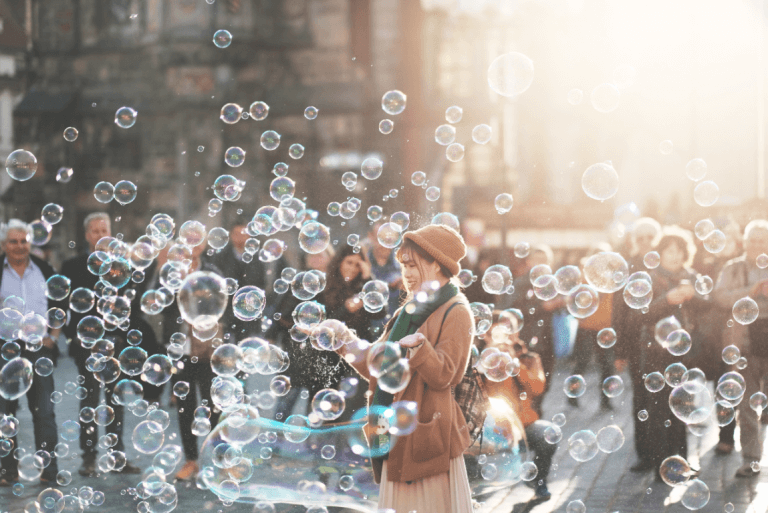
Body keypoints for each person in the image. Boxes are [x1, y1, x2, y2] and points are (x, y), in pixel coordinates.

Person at [337, 224, 474, 513]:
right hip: (393, 432)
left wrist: (419, 348)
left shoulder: (456, 310)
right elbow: (380, 362)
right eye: (403, 265)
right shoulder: (408, 311)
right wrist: (344, 342)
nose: (406, 274)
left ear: (437, 264)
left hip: (427, 438)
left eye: (413, 265)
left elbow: (446, 375)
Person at [61, 213, 143, 476]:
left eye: (103, 230)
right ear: (87, 235)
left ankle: (116, 456)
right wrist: (75, 338)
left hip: (117, 344)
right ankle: (88, 458)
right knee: (89, 403)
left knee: (116, 401)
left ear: (111, 233)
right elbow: (63, 307)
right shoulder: (72, 266)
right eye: (94, 231)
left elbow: (132, 304)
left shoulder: (122, 266)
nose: (99, 235)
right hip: (86, 346)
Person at [638, 227, 708, 480]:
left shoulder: (692, 277)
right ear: (661, 252)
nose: (675, 255)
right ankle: (661, 467)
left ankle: (682, 462)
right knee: (658, 410)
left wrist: (694, 296)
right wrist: (667, 299)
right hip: (657, 352)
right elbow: (640, 313)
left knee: (683, 407)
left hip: (685, 353)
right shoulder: (650, 278)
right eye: (669, 250)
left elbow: (708, 306)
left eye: (679, 250)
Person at [0, 220, 61, 485]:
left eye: (23, 241)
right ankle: (6, 471)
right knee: (4, 413)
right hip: (4, 349)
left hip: (38, 349)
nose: (19, 246)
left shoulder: (45, 269)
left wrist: (53, 337)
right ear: (4, 245)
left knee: (45, 411)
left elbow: (61, 306)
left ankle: (49, 470)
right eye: (13, 241)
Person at [163, 236, 226, 481]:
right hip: (180, 350)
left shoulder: (212, 272)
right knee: (184, 408)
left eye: (197, 240)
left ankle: (221, 460)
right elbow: (160, 308)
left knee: (214, 406)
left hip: (208, 350)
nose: (193, 245)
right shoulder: (169, 272)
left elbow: (221, 307)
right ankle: (191, 461)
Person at [480, 312, 557, 502]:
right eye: (494, 335)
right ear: (485, 336)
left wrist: (514, 364)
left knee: (549, 433)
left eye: (506, 333)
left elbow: (538, 388)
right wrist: (485, 362)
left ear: (515, 334)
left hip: (523, 425)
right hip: (489, 428)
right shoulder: (476, 361)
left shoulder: (528, 358)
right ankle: (471, 490)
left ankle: (538, 482)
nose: (501, 340)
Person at [713, 220, 768, 477]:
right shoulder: (733, 268)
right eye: (753, 239)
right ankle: (751, 459)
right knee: (747, 404)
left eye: (762, 239)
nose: (758, 244)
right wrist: (752, 291)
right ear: (744, 242)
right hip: (745, 342)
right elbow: (720, 297)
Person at [612, 217, 661, 468]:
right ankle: (645, 454)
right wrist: (620, 350)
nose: (644, 242)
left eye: (649, 237)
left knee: (664, 398)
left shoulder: (666, 266)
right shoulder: (628, 269)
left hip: (665, 342)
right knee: (641, 399)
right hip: (636, 345)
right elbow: (618, 313)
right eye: (639, 238)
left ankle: (665, 449)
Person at [500, 244, 563, 416]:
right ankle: (531, 417)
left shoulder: (551, 285)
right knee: (527, 384)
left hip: (548, 339)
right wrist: (543, 306)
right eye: (538, 261)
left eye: (545, 261)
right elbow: (510, 311)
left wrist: (561, 304)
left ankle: (536, 413)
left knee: (545, 382)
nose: (541, 265)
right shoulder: (521, 283)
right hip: (527, 340)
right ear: (529, 262)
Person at [569, 245, 616, 411]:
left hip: (605, 326)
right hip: (587, 326)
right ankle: (572, 396)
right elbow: (576, 298)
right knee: (582, 363)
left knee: (606, 365)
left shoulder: (612, 276)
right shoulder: (584, 275)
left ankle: (606, 400)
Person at [366, 222, 405, 338]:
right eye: (380, 238)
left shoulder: (404, 265)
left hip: (397, 334)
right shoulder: (360, 263)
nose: (384, 244)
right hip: (367, 335)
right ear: (370, 236)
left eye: (388, 239)